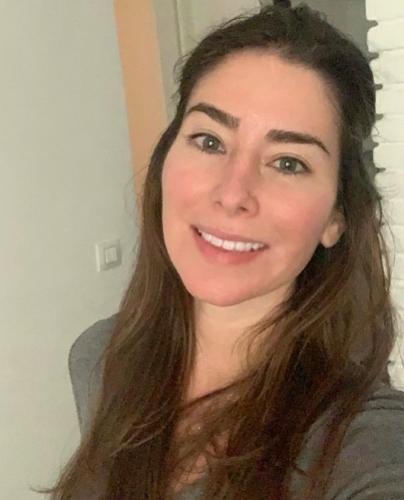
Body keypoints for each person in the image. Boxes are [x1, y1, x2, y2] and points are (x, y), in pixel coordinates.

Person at [38, 2, 404, 499]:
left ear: (335, 218)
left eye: (288, 163)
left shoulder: (365, 442)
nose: (233, 194)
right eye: (209, 141)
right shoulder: (100, 357)